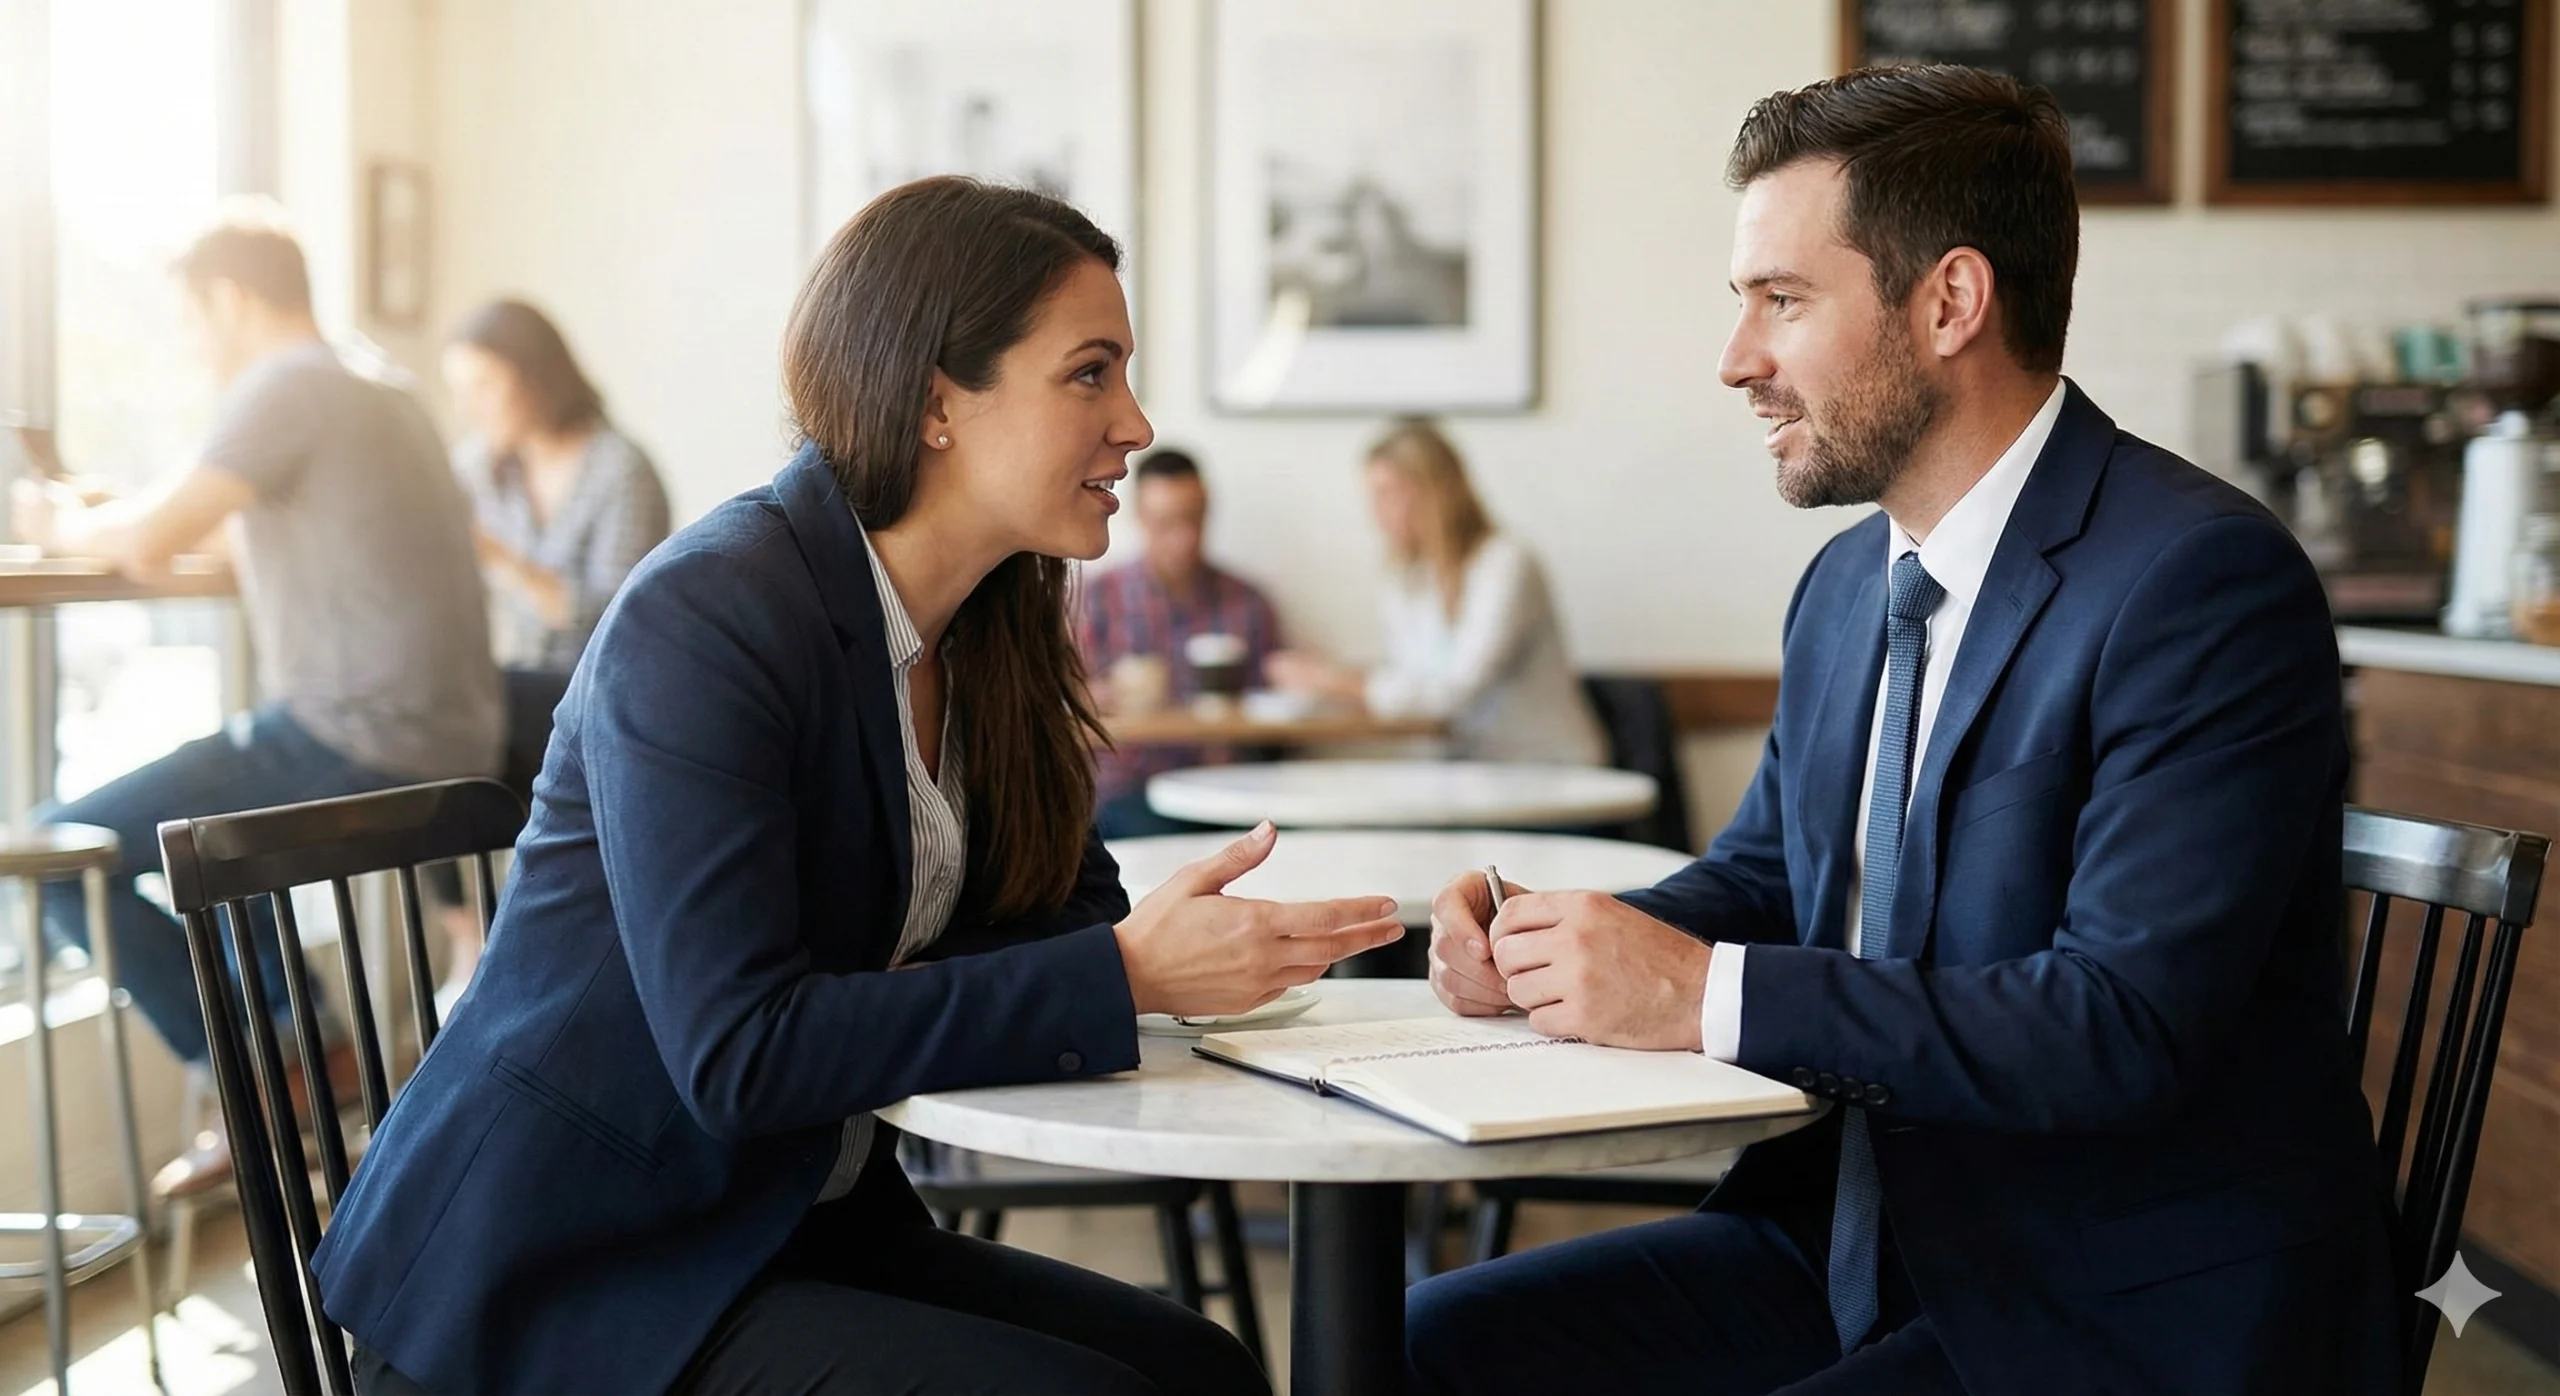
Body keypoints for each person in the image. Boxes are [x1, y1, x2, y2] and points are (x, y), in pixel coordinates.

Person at [312, 177, 1403, 1396]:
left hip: (775, 1224)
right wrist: (1129, 973)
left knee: (1198, 1369)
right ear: (939, 401)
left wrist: (1125, 956)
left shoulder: (991, 626)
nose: (1135, 422)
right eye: (1089, 373)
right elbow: (741, 1057)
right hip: (570, 1272)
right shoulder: (709, 618)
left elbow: (1069, 912)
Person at [1406, 66, 2399, 1396]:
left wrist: (1701, 997)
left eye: (1783, 300)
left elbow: (2118, 1026)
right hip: (1859, 1240)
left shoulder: (2199, 581)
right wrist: (1553, 947)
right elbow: (1771, 883)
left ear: (1949, 302)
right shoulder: (1845, 587)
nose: (1736, 360)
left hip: (2110, 1307)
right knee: (1421, 1346)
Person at [11, 202, 503, 1198]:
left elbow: (150, 538)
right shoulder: (382, 384)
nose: (194, 347)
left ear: (229, 300)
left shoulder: (285, 384)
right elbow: (229, 535)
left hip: (364, 728)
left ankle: (260, 1078)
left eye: (192, 321)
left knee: (62, 844)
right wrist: (130, 520)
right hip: (454, 731)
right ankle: (309, 1049)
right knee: (218, 829)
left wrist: (60, 514)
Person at [436, 298, 671, 1002]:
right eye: (462, 392)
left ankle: (493, 956)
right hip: (519, 690)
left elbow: (615, 618)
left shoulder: (620, 469)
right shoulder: (480, 468)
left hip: (604, 691)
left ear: (535, 376)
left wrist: (503, 559)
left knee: (466, 707)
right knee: (431, 738)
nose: (473, 408)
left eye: (485, 386)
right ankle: (469, 940)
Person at [1267, 419, 1605, 767]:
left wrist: (1339, 682)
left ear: (1435, 492)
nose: (1376, 513)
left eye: (1388, 494)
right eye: (1372, 497)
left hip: (1545, 772)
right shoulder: (1408, 577)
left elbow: (1454, 692)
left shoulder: (1506, 564)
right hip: (1468, 773)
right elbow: (1414, 683)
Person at [1077, 448, 1284, 839]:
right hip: (1131, 790)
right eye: (1166, 524)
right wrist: (1094, 696)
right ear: (1140, 519)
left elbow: (1275, 724)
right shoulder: (1097, 600)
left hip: (1230, 791)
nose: (1183, 539)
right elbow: (1054, 704)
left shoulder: (1249, 603)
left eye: (1194, 520)